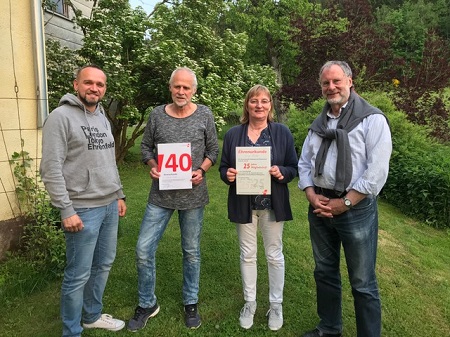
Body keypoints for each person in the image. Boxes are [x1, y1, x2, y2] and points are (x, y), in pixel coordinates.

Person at [297, 61, 392, 337]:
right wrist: (312, 195)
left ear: (350, 81)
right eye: (326, 83)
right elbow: (305, 163)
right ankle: (329, 328)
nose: (331, 87)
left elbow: (376, 172)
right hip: (320, 207)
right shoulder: (319, 123)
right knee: (324, 272)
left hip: (355, 210)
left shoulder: (372, 119)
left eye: (337, 81)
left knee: (362, 281)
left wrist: (346, 202)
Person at [127, 67, 219, 332]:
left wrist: (201, 170)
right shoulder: (157, 115)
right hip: (160, 195)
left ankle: (190, 302)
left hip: (193, 196)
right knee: (143, 249)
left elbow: (213, 149)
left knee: (191, 252)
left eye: (186, 88)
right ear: (170, 88)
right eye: (177, 87)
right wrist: (152, 164)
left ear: (194, 91)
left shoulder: (204, 114)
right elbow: (145, 147)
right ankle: (147, 304)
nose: (181, 92)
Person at [40, 65, 127, 337]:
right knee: (78, 274)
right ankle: (71, 331)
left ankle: (91, 316)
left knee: (103, 265)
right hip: (82, 209)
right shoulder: (60, 117)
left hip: (109, 205)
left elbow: (107, 161)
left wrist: (119, 193)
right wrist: (66, 210)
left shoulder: (102, 118)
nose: (95, 88)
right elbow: (51, 168)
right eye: (88, 82)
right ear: (75, 85)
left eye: (100, 84)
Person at [219, 85, 298, 331]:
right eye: (254, 101)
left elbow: (293, 168)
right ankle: (250, 303)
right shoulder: (234, 134)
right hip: (245, 206)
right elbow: (223, 168)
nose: (259, 106)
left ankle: (276, 305)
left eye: (264, 101)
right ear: (247, 105)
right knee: (248, 255)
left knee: (274, 255)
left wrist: (280, 172)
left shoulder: (282, 132)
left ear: (270, 106)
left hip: (272, 207)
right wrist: (228, 175)